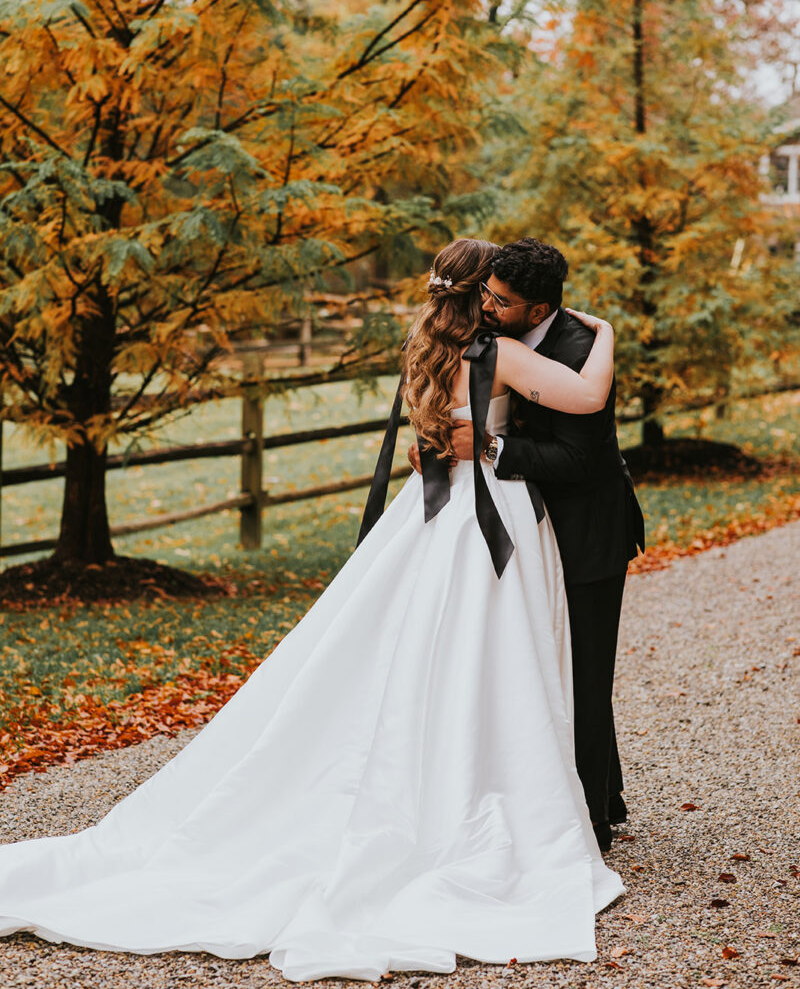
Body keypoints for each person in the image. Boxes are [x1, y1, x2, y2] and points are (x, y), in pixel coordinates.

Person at [0, 238, 624, 984]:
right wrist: (609, 334)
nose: (494, 304)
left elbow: (436, 440)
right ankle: (485, 778)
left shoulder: (427, 345)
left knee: (424, 641)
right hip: (493, 513)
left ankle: (448, 770)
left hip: (436, 512)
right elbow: (587, 398)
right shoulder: (499, 353)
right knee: (491, 652)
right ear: (478, 297)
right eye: (488, 294)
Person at [441, 238, 645, 852]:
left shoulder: (579, 351)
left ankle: (592, 821)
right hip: (526, 527)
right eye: (486, 290)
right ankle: (593, 794)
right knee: (547, 667)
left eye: (499, 300)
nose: (486, 304)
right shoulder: (486, 340)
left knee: (584, 672)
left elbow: (580, 459)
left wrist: (491, 447)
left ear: (536, 311)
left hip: (586, 531)